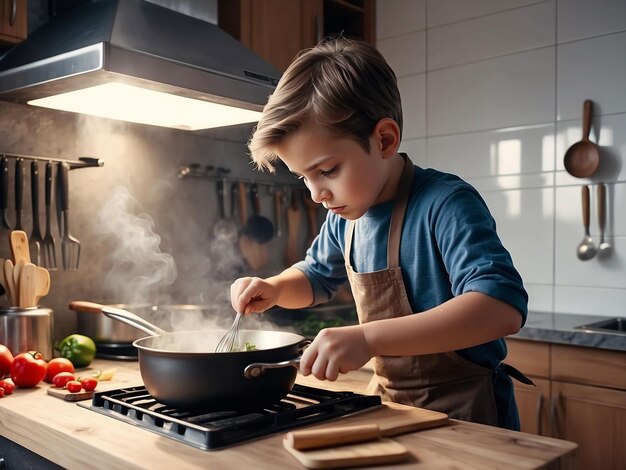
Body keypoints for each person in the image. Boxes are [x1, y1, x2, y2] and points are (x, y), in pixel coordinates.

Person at [229, 36, 530, 430]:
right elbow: (317, 276)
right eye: (303, 177)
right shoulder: (345, 215)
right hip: (392, 407)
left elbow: (501, 309)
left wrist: (368, 338)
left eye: (327, 170)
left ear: (384, 140)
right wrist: (276, 287)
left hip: (469, 415)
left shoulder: (446, 203)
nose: (316, 194)